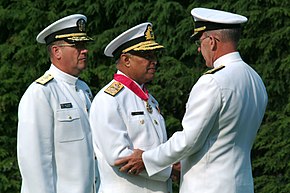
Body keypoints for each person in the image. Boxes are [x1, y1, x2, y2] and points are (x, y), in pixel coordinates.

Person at [115, 8, 268, 193]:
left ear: (211, 42)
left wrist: (146, 159)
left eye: (199, 41)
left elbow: (189, 139)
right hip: (242, 185)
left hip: (208, 186)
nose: (198, 48)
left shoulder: (212, 81)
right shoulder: (255, 79)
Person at [89, 22, 173, 193]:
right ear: (126, 60)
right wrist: (169, 169)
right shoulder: (109, 99)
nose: (154, 61)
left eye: (154, 55)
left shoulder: (150, 99)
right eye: (147, 56)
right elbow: (119, 157)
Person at [17, 14, 97, 193]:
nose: (85, 51)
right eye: (77, 46)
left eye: (84, 45)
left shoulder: (83, 89)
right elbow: (34, 160)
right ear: (56, 51)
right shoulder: (41, 92)